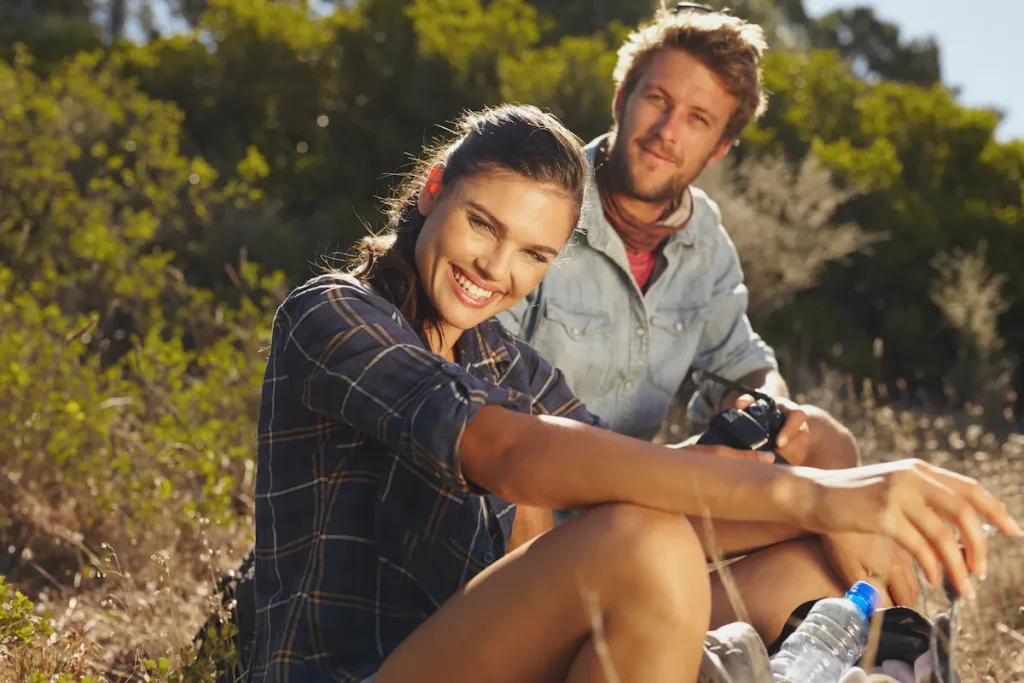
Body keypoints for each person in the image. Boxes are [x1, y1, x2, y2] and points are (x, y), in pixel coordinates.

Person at [250, 102, 1020, 683]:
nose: (495, 267)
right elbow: (513, 453)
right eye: (482, 223)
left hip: (490, 651)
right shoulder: (334, 314)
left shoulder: (506, 361)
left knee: (808, 577)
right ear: (431, 191)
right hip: (355, 669)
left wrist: (843, 501)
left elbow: (634, 490)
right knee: (641, 547)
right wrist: (815, 494)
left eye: (533, 253)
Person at [495, 3, 911, 645]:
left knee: (820, 446)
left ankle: (890, 640)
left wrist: (758, 403)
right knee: (813, 538)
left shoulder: (704, 236)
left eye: (697, 119)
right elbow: (494, 419)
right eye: (656, 99)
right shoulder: (542, 200)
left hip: (639, 500)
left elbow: (741, 357)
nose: (667, 130)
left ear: (718, 146)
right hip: (530, 520)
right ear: (620, 97)